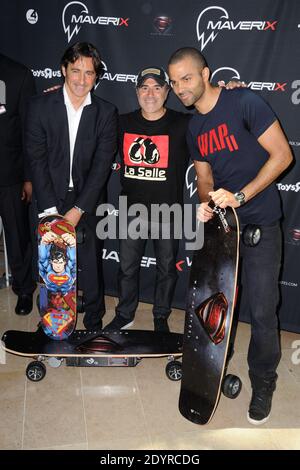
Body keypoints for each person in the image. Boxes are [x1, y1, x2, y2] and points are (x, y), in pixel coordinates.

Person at [168, 47, 293, 425]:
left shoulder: (244, 101)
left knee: (261, 311)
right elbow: (205, 180)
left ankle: (264, 382)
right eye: (174, 82)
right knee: (214, 309)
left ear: (206, 74)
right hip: (224, 229)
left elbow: (283, 156)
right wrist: (206, 205)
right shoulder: (195, 128)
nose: (179, 88)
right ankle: (210, 374)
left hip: (260, 224)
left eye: (186, 78)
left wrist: (240, 196)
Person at [25, 42, 117, 330]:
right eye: (75, 70)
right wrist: (52, 212)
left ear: (96, 76)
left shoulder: (105, 112)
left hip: (86, 200)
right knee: (51, 263)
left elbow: (102, 167)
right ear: (64, 69)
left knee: (90, 265)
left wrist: (78, 209)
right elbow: (36, 159)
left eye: (89, 73)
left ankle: (93, 319)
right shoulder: (39, 107)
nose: (81, 79)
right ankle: (53, 319)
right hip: (48, 197)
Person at [103, 66, 191, 333]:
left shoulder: (184, 123)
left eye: (156, 87)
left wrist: (232, 91)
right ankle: (125, 313)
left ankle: (161, 316)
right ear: (137, 92)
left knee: (166, 269)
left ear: (167, 91)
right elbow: (88, 121)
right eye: (144, 87)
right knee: (127, 268)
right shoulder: (121, 123)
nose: (150, 93)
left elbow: (216, 117)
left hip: (168, 212)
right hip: (132, 211)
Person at [0, 53, 36, 315]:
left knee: (17, 235)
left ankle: (24, 289)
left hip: (9, 175)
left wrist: (28, 177)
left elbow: (28, 130)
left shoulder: (17, 74)